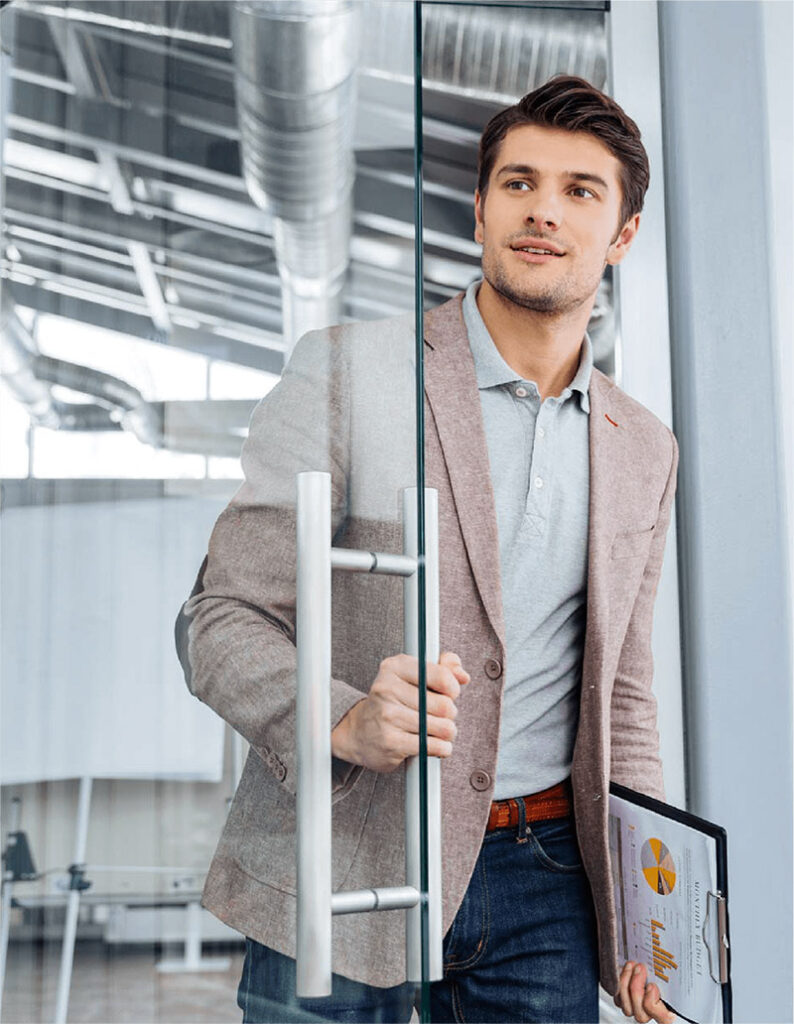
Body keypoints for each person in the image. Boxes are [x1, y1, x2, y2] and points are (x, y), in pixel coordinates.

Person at [176, 75, 678, 1024]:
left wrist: (643, 915)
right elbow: (220, 616)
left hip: (543, 883)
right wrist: (339, 718)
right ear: (480, 209)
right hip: (345, 848)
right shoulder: (351, 373)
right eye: (520, 183)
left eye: (581, 191)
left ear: (622, 236)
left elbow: (623, 698)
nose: (543, 210)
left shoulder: (643, 445)